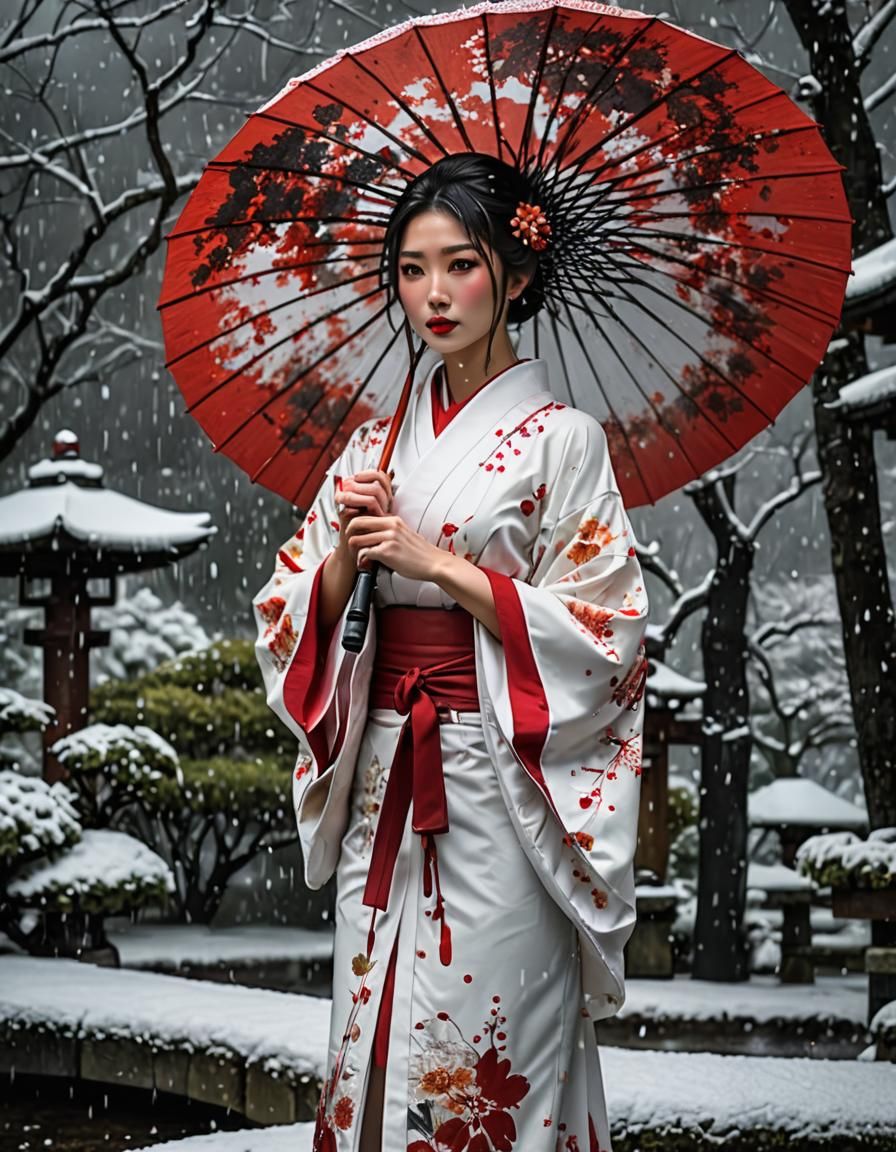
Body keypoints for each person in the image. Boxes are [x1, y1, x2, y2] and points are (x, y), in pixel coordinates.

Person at [252, 152, 649, 1152]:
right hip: (384, 773)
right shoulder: (370, 451)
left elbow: (604, 633)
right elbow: (285, 614)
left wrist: (438, 565)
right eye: (412, 268)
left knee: (489, 1039)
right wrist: (349, 555)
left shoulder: (565, 441)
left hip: (502, 783)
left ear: (516, 274)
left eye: (460, 265)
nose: (433, 293)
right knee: (368, 1032)